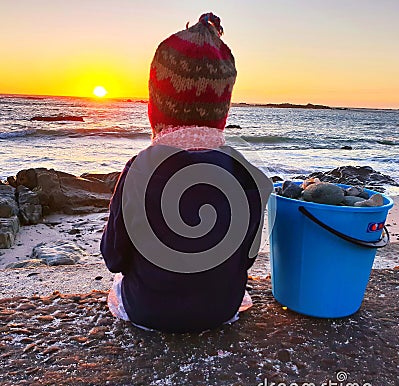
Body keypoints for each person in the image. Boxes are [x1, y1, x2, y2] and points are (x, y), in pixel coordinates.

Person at [101, 12, 273, 333]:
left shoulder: (140, 170)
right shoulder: (247, 175)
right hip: (222, 310)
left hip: (146, 312)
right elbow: (246, 260)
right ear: (222, 108)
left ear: (157, 104)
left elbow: (114, 258)